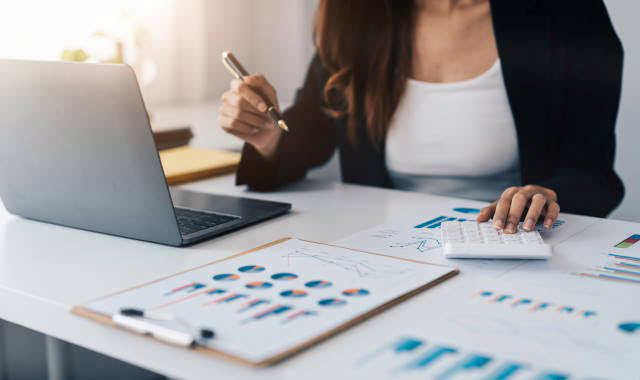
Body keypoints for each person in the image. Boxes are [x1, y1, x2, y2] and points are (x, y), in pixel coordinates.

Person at [218, 0, 624, 234]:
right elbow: (314, 125)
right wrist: (269, 137)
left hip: (515, 246)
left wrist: (549, 196)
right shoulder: (355, 11)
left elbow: (591, 171)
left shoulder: (568, 13)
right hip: (388, 251)